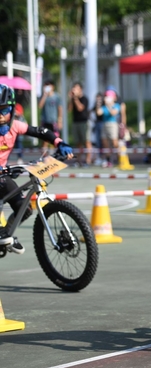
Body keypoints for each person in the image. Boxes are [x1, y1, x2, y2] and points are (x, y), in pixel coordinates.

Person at [0, 84, 73, 254]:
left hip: (2, 175)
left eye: (4, 110)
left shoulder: (15, 126)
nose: (0, 115)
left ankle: (5, 234)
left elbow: (40, 131)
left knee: (25, 210)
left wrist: (59, 143)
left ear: (12, 109)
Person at [68, 82, 90, 166]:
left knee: (86, 142)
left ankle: (88, 161)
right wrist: (71, 98)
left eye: (77, 88)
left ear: (81, 89)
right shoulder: (73, 99)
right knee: (78, 143)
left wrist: (76, 99)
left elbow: (80, 108)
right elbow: (69, 109)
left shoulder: (84, 99)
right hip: (75, 122)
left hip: (84, 122)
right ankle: (78, 161)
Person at [97, 89, 120, 167]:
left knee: (115, 143)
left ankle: (119, 159)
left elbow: (113, 113)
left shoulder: (116, 105)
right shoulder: (104, 107)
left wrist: (109, 105)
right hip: (104, 124)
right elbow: (98, 113)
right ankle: (108, 160)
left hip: (112, 124)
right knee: (105, 143)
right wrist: (98, 103)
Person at [38, 79, 63, 152]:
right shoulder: (43, 96)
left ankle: (56, 155)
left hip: (54, 121)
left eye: (48, 85)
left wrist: (60, 120)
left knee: (55, 139)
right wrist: (45, 95)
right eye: (46, 86)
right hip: (45, 121)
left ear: (52, 87)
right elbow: (40, 106)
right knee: (45, 140)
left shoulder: (56, 96)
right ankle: (44, 156)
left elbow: (60, 108)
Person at [90, 92, 104, 165]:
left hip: (103, 123)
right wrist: (93, 120)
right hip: (97, 123)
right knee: (97, 141)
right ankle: (99, 157)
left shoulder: (104, 105)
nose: (98, 99)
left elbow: (100, 113)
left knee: (103, 141)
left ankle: (105, 158)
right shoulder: (95, 105)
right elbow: (89, 112)